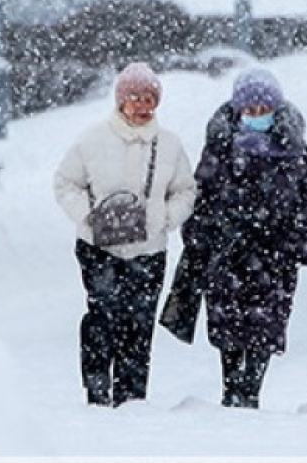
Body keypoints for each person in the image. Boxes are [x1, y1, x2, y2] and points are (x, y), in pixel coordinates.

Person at [166, 67, 307, 409]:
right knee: (227, 324)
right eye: (249, 110)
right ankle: (231, 389)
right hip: (227, 254)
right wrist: (201, 239)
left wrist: (296, 247)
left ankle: (250, 390)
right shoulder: (220, 148)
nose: (256, 116)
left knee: (264, 326)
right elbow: (200, 196)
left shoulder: (294, 150)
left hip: (273, 258)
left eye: (262, 109)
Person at [54, 61, 196, 407]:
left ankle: (133, 398)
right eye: (135, 96)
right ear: (120, 100)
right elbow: (65, 182)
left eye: (149, 97)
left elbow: (185, 191)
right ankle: (97, 389)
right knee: (102, 318)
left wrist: (164, 218)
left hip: (149, 249)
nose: (143, 104)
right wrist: (86, 217)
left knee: (139, 323)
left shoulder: (170, 145)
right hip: (98, 247)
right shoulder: (92, 139)